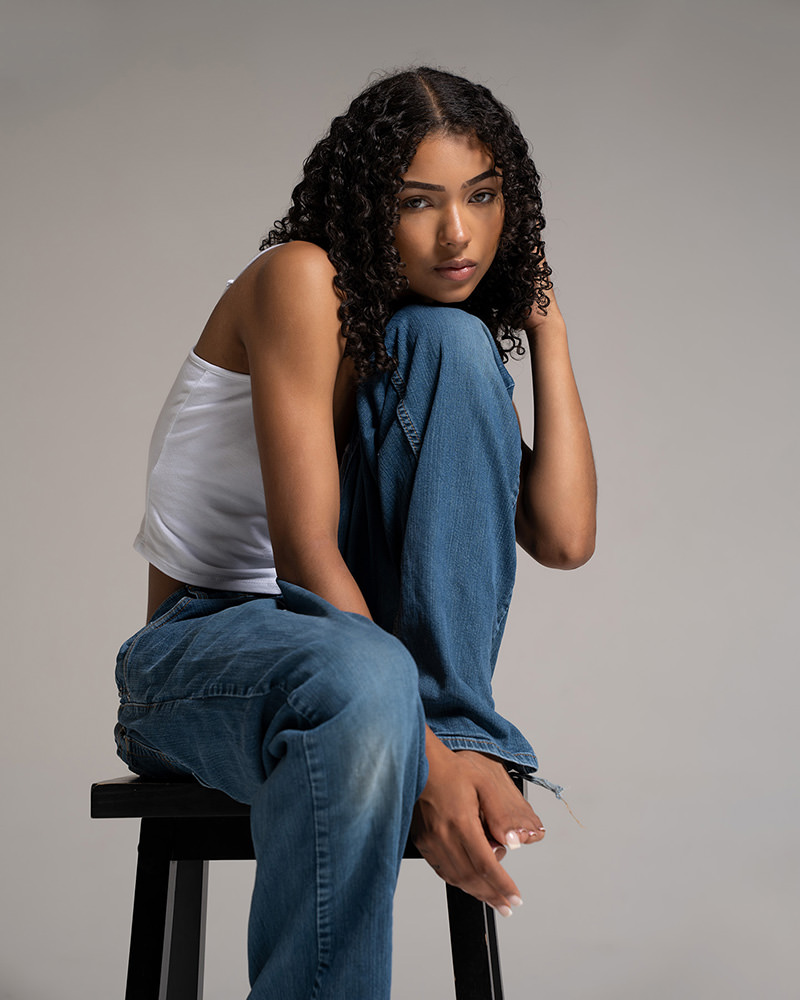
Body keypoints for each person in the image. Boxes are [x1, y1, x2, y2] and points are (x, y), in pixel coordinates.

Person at [114, 67, 596, 1000]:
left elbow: (566, 537)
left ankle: (447, 724)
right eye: (420, 203)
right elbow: (305, 554)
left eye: (483, 196)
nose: (459, 233)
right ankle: (444, 735)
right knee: (368, 678)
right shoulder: (301, 279)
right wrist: (433, 759)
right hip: (197, 660)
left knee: (454, 346)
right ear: (370, 206)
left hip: (350, 661)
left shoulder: (427, 338)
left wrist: (548, 326)